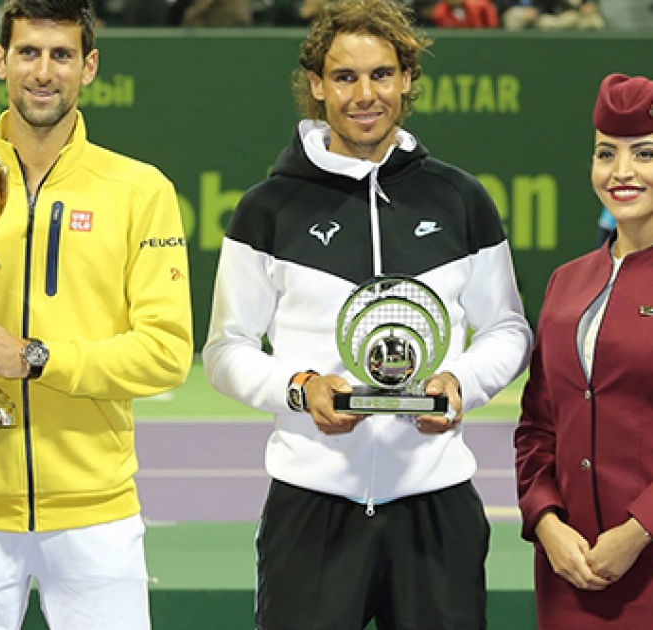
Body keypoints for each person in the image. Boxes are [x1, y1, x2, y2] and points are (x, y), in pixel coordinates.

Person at [202, 1, 532, 628]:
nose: (365, 94)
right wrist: (298, 389)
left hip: (436, 505)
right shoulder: (267, 208)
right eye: (345, 77)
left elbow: (507, 328)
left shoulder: (461, 199)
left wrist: (462, 383)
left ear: (407, 78)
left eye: (381, 74)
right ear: (317, 85)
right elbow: (225, 348)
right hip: (312, 508)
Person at [0, 1, 193, 629]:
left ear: (89, 66)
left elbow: (165, 353)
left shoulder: (140, 191)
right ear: (1, 60)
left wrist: (32, 357)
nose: (43, 71)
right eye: (28, 52)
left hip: (97, 516)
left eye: (61, 55)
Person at [515, 73, 653, 630]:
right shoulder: (566, 281)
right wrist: (545, 520)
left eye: (644, 154)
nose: (621, 173)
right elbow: (537, 425)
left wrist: (637, 531)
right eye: (606, 154)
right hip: (570, 574)